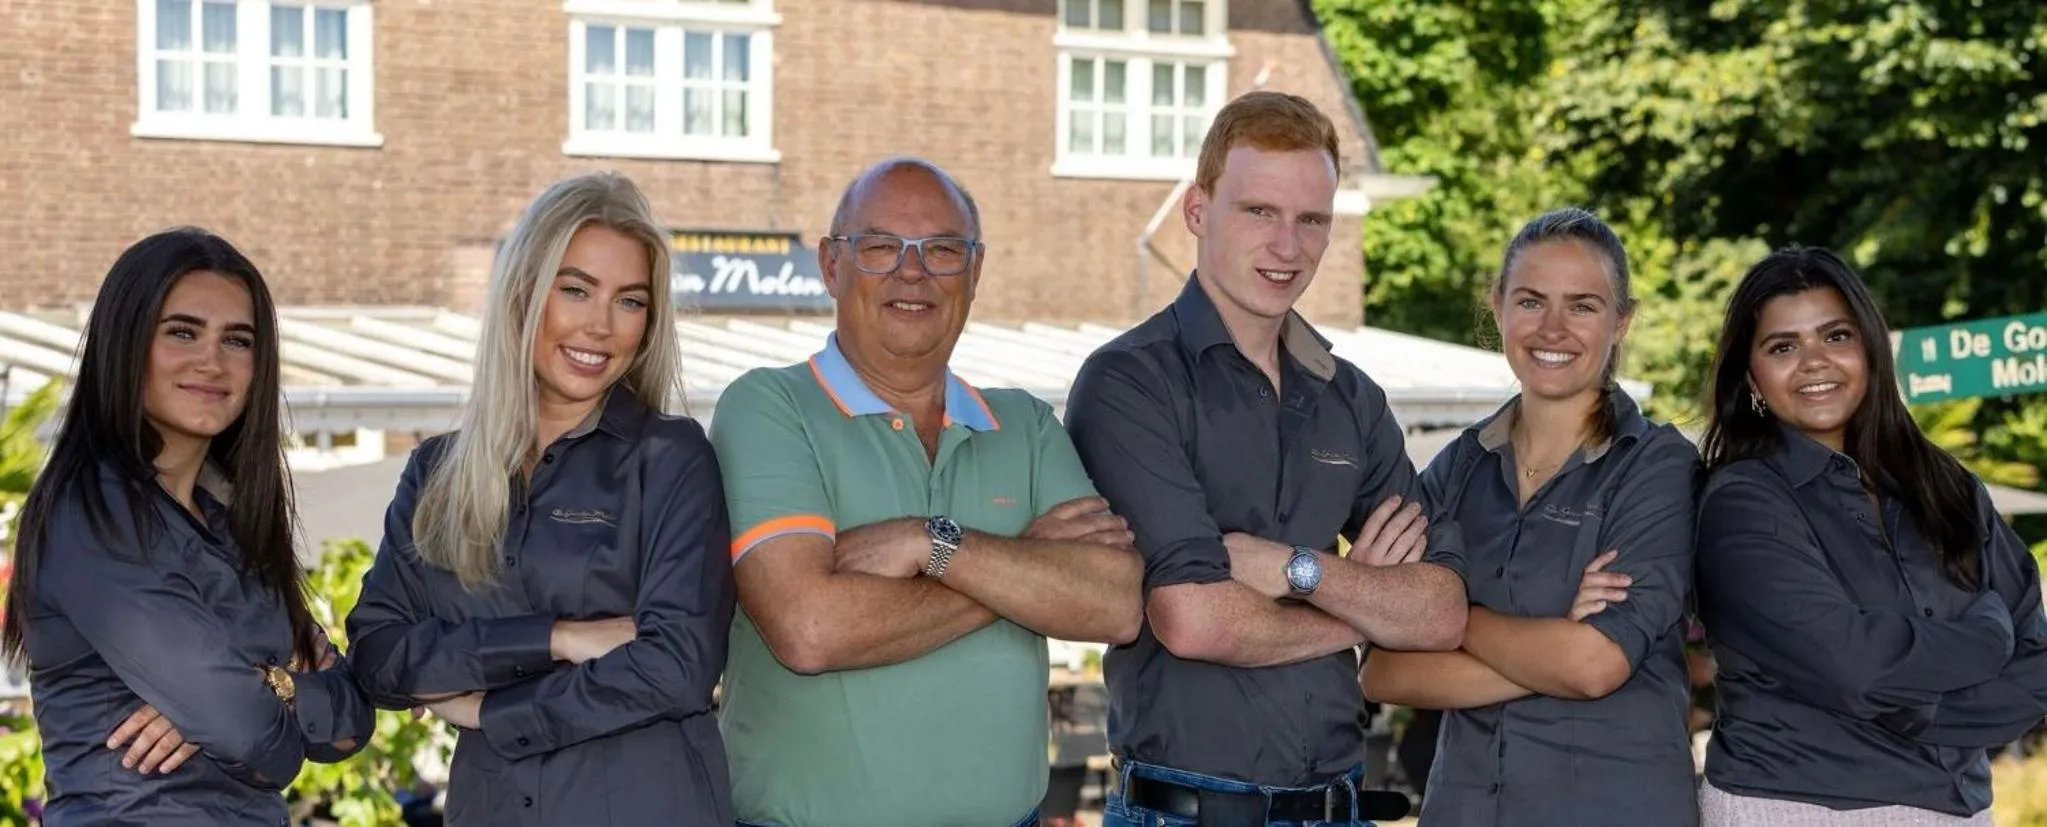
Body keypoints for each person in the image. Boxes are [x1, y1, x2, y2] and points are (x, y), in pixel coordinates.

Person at [1063, 90, 1467, 827]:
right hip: (1185, 813)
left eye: (1310, 219)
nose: (1287, 246)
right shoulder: (1129, 382)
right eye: (1258, 212)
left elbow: (1440, 609)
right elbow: (1190, 619)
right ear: (1196, 210)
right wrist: (1362, 605)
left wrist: (1294, 570)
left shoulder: (1352, 397)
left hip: (1338, 807)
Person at [709, 156, 1143, 827]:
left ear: (974, 273)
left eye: (942, 249)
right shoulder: (769, 407)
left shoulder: (1024, 424)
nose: (912, 271)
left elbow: (1114, 604)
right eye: (880, 246)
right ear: (830, 265)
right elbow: (809, 628)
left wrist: (930, 543)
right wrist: (1019, 566)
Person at [345, 171, 736, 826]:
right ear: (524, 290)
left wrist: (484, 706)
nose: (600, 326)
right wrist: (558, 637)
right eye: (576, 289)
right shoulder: (436, 472)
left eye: (630, 301)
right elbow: (378, 655)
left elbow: (676, 666)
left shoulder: (670, 458)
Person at [3, 227, 373, 825]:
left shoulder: (233, 524)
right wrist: (272, 690)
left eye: (238, 339)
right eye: (182, 331)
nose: (212, 360)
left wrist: (262, 681)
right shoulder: (91, 515)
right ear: (126, 342)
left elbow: (350, 722)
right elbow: (256, 739)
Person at [1358, 208, 1701, 826]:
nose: (1553, 328)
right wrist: (1550, 644)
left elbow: (1594, 666)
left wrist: (1450, 618)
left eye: (1583, 306)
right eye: (1531, 300)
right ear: (1498, 305)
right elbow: (1383, 672)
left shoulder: (1656, 467)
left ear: (1622, 320)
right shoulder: (1457, 469)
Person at [1693, 246, 2047, 826]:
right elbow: (1855, 666)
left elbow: (2036, 665)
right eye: (1783, 346)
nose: (1813, 362)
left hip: (1958, 813)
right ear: (1751, 375)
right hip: (1796, 809)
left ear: (1870, 349)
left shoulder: (1949, 485)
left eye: (1836, 336)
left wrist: (1909, 707)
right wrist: (1986, 636)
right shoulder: (1743, 501)